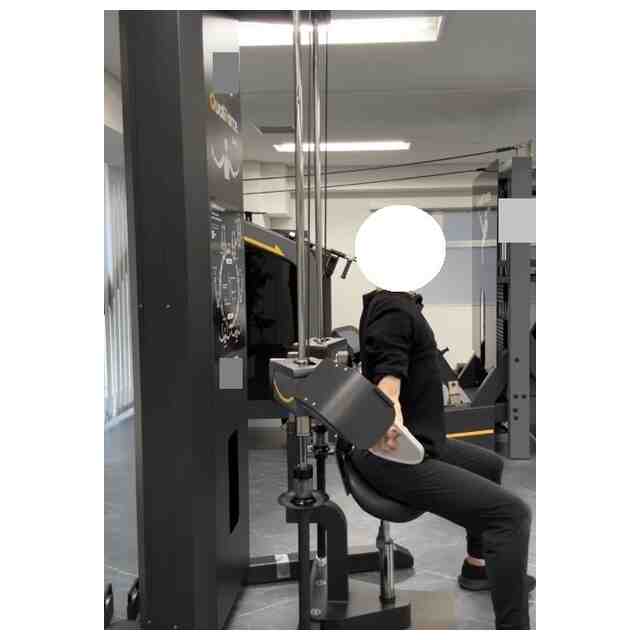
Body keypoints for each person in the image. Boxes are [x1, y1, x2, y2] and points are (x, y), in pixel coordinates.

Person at [350, 289, 535, 630]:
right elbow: (389, 372)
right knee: (511, 514)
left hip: (416, 442)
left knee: (489, 465)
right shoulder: (393, 306)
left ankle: (477, 566)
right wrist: (390, 411)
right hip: (393, 454)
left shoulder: (393, 302)